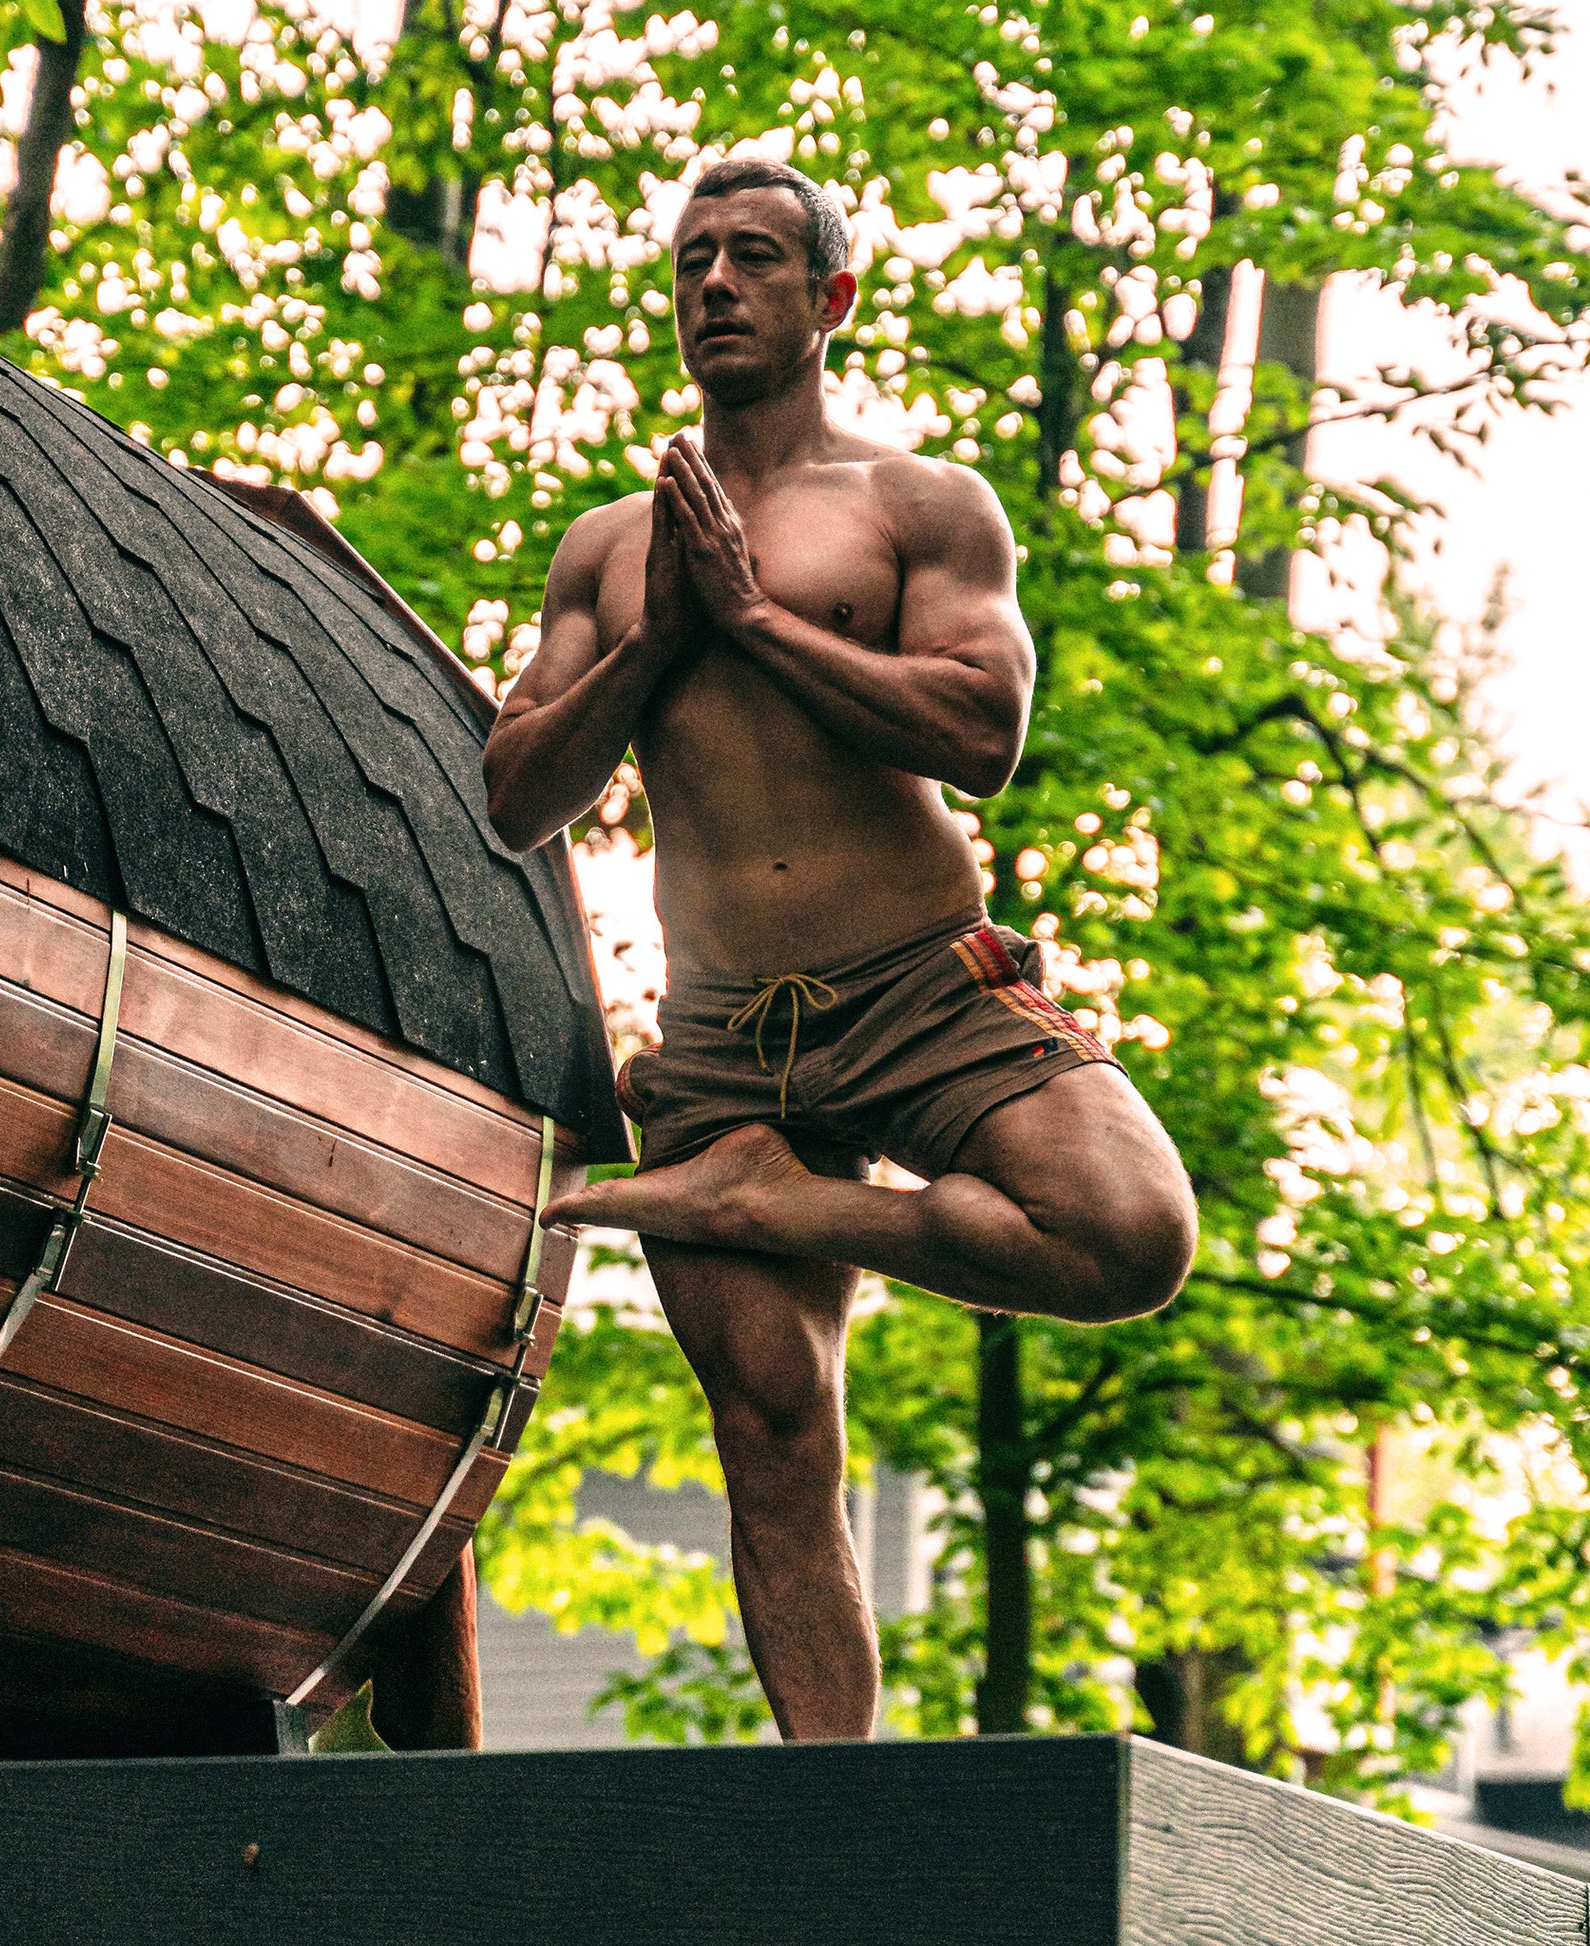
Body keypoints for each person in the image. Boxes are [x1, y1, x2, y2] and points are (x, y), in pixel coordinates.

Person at [481, 157, 1196, 1742]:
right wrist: (661, 637)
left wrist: (754, 624)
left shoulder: (919, 504)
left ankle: (773, 1198)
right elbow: (515, 795)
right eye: (689, 265)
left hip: (922, 987)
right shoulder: (609, 545)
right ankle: (836, 1813)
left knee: (1128, 1234)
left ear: (832, 299)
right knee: (773, 1424)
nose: (712, 286)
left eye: (749, 259)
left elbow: (981, 730)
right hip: (726, 1028)